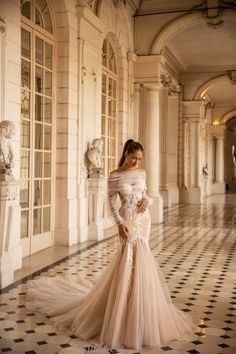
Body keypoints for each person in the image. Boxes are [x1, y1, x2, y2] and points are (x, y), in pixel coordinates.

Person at [26, 139, 197, 350]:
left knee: (142, 261)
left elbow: (144, 195)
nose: (136, 162)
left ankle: (139, 308)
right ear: (126, 153)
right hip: (126, 221)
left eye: (139, 159)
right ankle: (122, 310)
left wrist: (147, 201)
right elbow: (111, 202)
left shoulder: (141, 173)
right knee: (127, 260)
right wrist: (119, 223)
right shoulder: (114, 175)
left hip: (143, 222)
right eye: (134, 157)